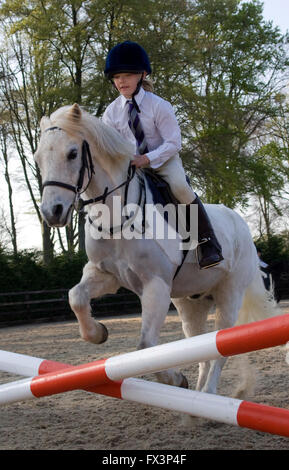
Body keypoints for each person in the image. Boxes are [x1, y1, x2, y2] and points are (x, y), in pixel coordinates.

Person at [102, 40, 223, 269]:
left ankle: (208, 243)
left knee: (180, 187)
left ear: (142, 74)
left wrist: (147, 158)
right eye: (117, 76)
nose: (121, 81)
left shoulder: (159, 105)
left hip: (164, 159)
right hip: (132, 166)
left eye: (127, 75)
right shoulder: (111, 113)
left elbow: (174, 142)